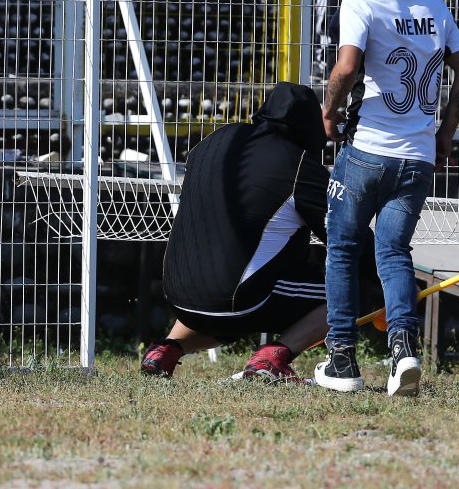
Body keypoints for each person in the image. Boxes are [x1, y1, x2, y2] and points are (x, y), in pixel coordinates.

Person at [317, 0, 459, 396]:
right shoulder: (434, 7)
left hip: (368, 150)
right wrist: (445, 132)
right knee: (394, 252)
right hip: (419, 156)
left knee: (344, 248)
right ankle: (403, 351)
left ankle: (342, 359)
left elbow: (347, 67)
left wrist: (330, 111)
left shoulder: (360, 5)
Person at [141, 83, 376, 382]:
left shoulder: (216, 141)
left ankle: (166, 349)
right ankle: (273, 356)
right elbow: (348, 238)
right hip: (232, 301)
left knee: (220, 293)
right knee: (351, 285)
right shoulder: (297, 165)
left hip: (176, 291)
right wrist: (389, 280)